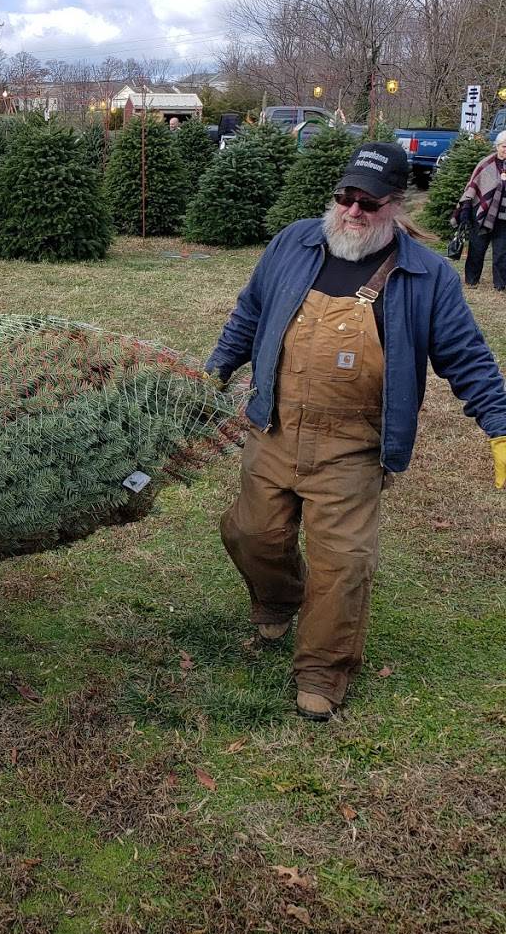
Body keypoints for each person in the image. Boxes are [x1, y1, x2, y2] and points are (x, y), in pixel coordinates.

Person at [205, 142, 506, 722]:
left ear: (394, 205)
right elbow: (250, 312)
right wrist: (215, 371)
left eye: (368, 202)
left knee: (342, 564)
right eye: (345, 196)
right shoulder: (294, 244)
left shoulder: (427, 277)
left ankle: (323, 669)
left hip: (352, 447)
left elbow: (468, 359)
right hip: (273, 426)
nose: (353, 210)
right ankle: (277, 594)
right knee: (249, 534)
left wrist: (500, 425)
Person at [455, 129, 506, 291]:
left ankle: (500, 284)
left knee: (501, 252)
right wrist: (464, 212)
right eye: (504, 146)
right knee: (477, 248)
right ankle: (471, 280)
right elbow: (472, 189)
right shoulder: (486, 164)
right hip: (482, 215)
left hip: (503, 218)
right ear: (497, 146)